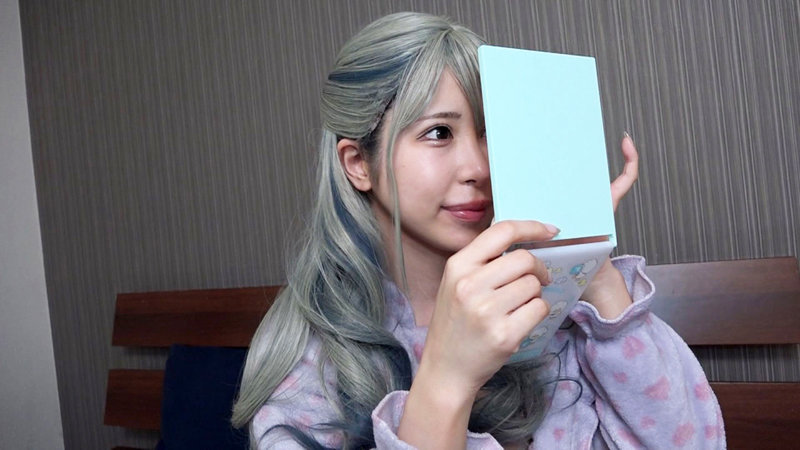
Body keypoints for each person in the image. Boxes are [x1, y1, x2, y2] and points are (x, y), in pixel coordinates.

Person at [231, 11, 725, 449]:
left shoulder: (554, 305)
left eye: (490, 134)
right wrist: (446, 380)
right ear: (358, 163)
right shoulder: (312, 362)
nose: (479, 168)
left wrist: (592, 268)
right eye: (439, 133)